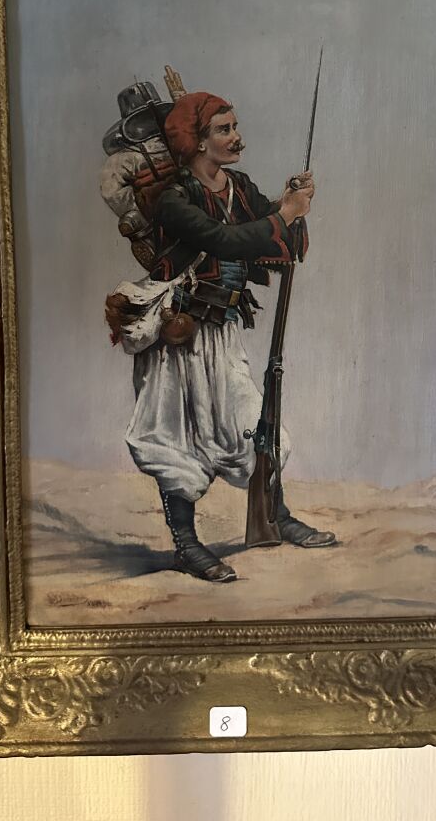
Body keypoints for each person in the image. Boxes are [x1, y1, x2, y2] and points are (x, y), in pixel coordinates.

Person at [121, 89, 336, 583]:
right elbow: (225, 240)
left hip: (223, 334)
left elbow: (277, 244)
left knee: (254, 425)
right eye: (224, 129)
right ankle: (186, 545)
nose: (236, 137)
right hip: (178, 342)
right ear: (197, 142)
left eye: (235, 126)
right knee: (175, 440)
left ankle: (276, 516)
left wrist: (291, 212)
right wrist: (284, 214)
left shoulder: (239, 187)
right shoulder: (174, 199)